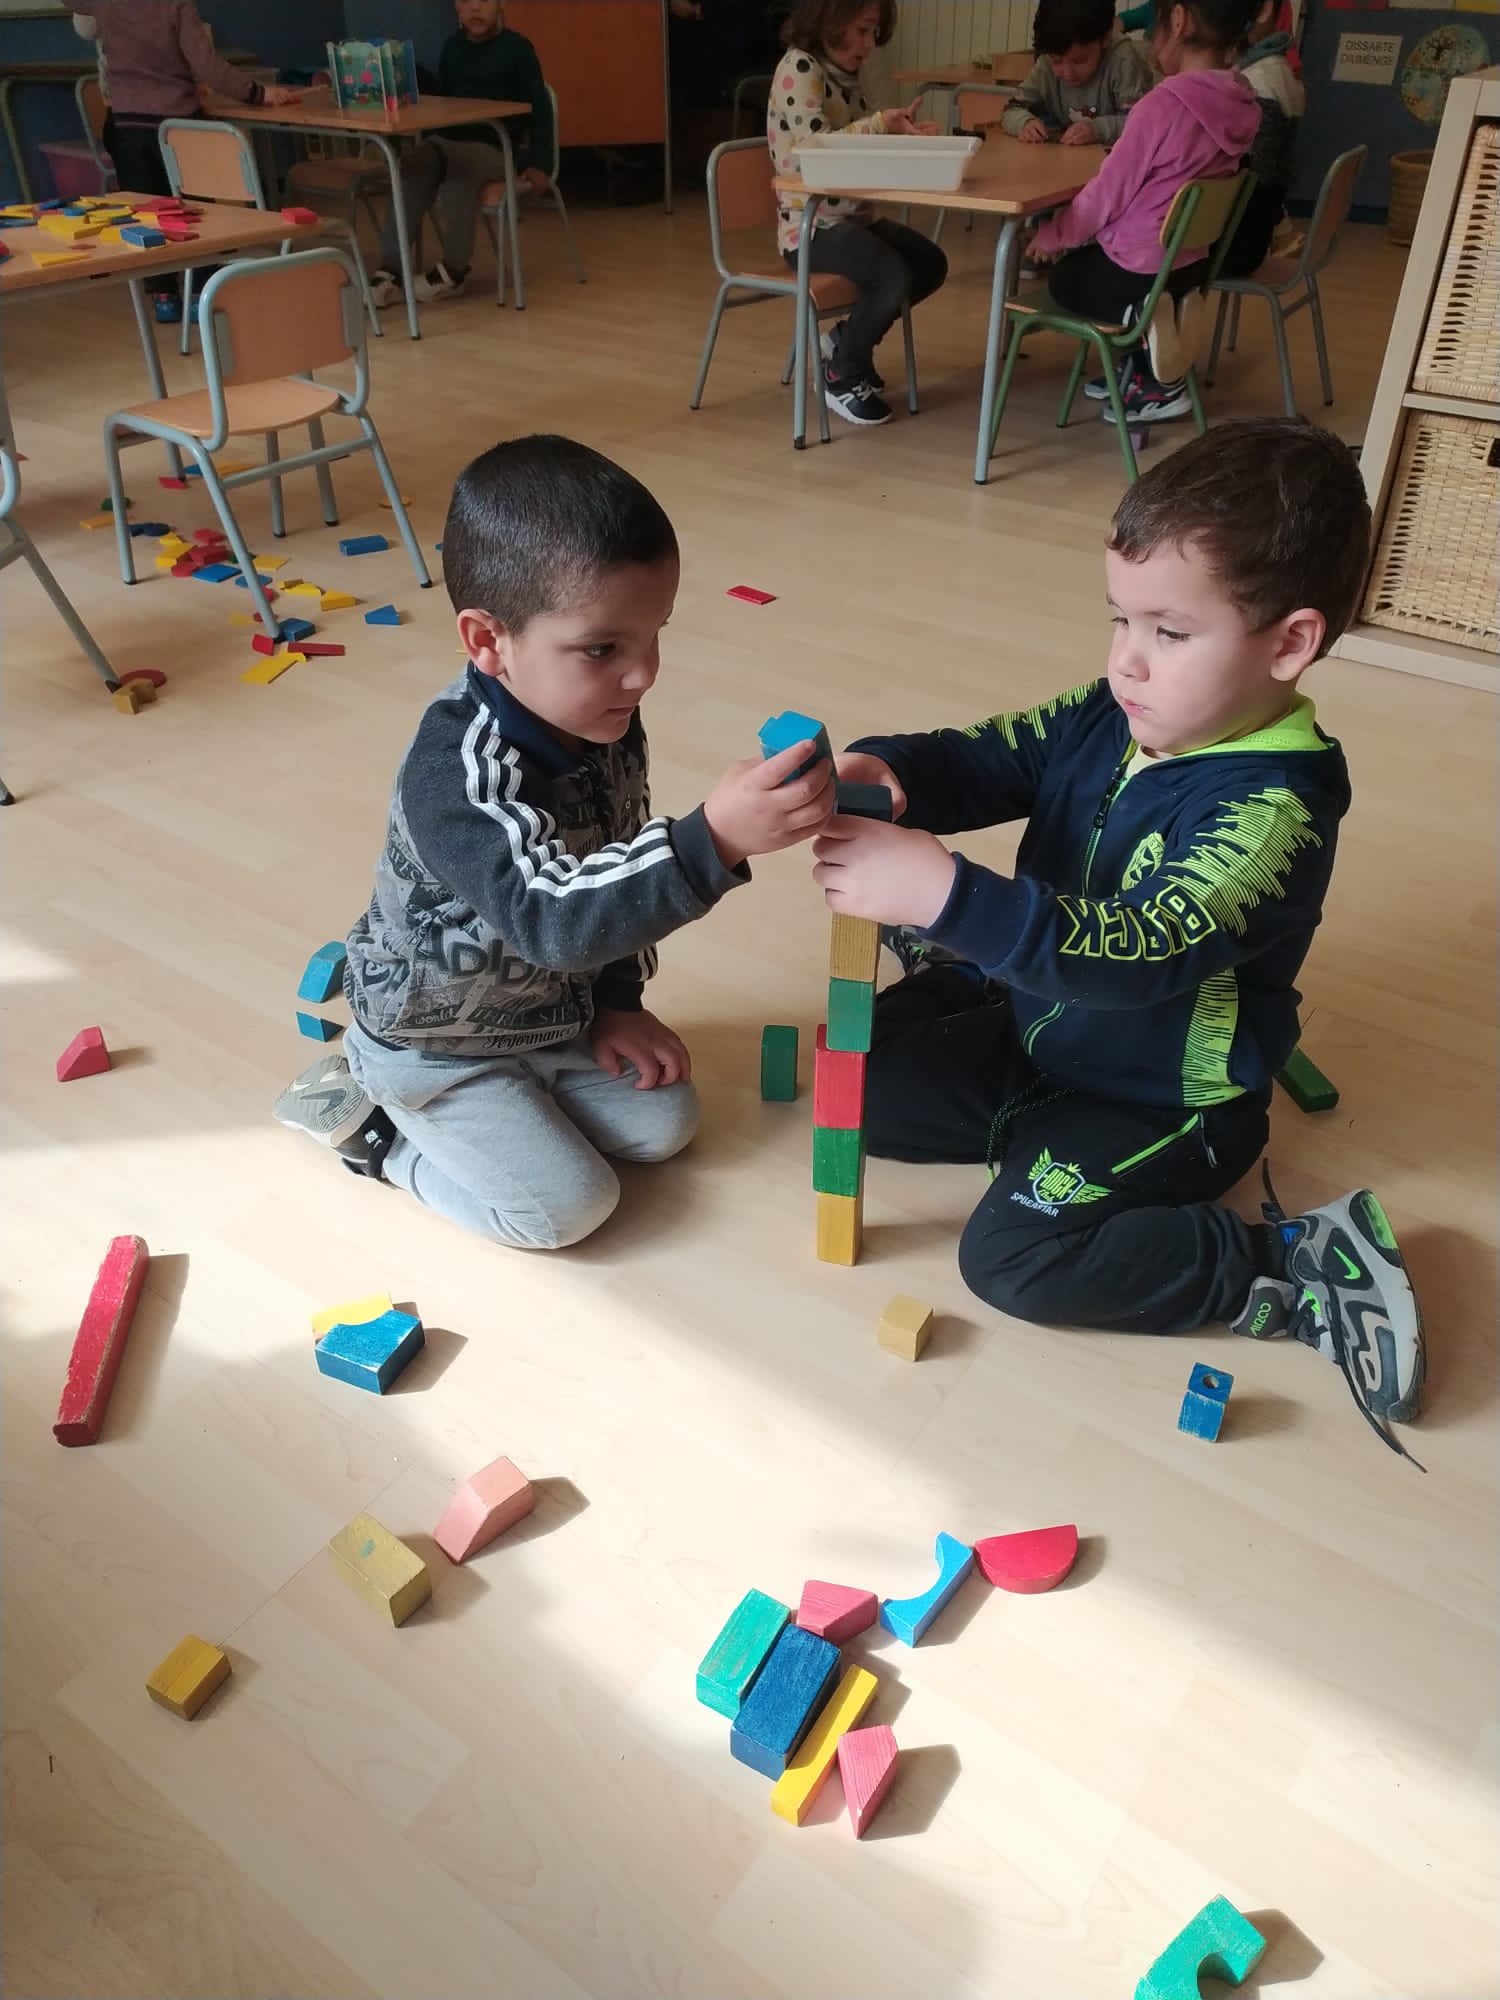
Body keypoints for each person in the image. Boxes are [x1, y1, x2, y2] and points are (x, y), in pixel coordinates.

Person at [814, 419, 1425, 1467]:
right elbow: (994, 755)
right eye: (1119, 618)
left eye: (1170, 632)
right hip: (1039, 1028)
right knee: (860, 1083)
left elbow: (1142, 951)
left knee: (1011, 1258)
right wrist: (894, 771)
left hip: (1163, 1099)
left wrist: (944, 894)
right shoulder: (1113, 710)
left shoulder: (1273, 811)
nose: (1126, 660)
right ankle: (978, 977)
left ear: (1289, 644)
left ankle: (1287, 1261)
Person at [274, 435, 835, 1251]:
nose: (643, 674)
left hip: (546, 1016)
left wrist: (617, 1004)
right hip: (433, 1046)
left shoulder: (601, 717)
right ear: (487, 641)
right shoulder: (456, 775)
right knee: (567, 1211)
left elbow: (613, 851)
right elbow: (552, 916)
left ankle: (523, 1089)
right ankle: (380, 1135)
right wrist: (713, 838)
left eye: (654, 634)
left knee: (665, 1124)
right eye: (603, 649)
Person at [1028, 0, 1260, 423]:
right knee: (1100, 265)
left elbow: (1107, 194)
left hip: (1141, 269)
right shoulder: (1241, 102)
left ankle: (1147, 340)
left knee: (1066, 278)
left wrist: (1054, 234)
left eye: (1155, 26)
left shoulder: (1162, 106)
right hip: (1189, 265)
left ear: (1178, 20)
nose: (1151, 39)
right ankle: (1142, 365)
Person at [768, 0, 949, 428]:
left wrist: (901, 137)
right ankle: (841, 374)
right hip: (810, 227)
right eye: (863, 31)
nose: (869, 45)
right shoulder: (800, 68)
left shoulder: (843, 74)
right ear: (831, 20)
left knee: (928, 263)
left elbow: (859, 145)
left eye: (873, 33)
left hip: (851, 219)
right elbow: (818, 147)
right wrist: (881, 124)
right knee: (891, 274)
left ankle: (845, 343)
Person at [79, 2, 300, 321]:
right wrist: (257, 93)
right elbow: (208, 67)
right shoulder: (177, 5)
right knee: (195, 212)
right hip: (178, 125)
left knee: (147, 215)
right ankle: (200, 293)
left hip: (128, 126)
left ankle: (164, 297)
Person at [368, 0, 553, 307]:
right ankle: (391, 269)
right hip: (449, 142)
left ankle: (454, 271)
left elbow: (541, 109)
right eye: (467, 1)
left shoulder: (518, 48)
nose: (476, 8)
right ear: (457, 7)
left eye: (484, 0)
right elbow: (446, 103)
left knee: (461, 168)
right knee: (414, 164)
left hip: (495, 148)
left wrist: (540, 163)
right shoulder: (452, 48)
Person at [1219, 0, 1306, 277]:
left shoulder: (1259, 83)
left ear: (1264, 10)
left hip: (1234, 249)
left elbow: (1256, 178)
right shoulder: (1275, 69)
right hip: (1248, 238)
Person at [1000, 0, 1155, 150]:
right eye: (1057, 61)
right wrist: (1024, 123)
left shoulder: (1124, 60)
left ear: (1105, 38)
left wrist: (1097, 130)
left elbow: (1143, 123)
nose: (1068, 74)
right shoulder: (1046, 62)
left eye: (1079, 61)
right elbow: (1011, 109)